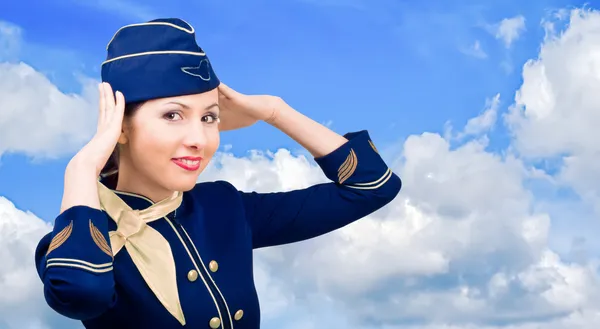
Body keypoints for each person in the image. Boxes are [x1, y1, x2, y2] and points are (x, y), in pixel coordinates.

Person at [33, 18, 402, 329]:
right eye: (173, 115)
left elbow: (371, 186)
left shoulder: (224, 208)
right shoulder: (75, 240)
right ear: (121, 128)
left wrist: (275, 111)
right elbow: (82, 293)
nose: (200, 139)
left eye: (209, 117)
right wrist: (81, 168)